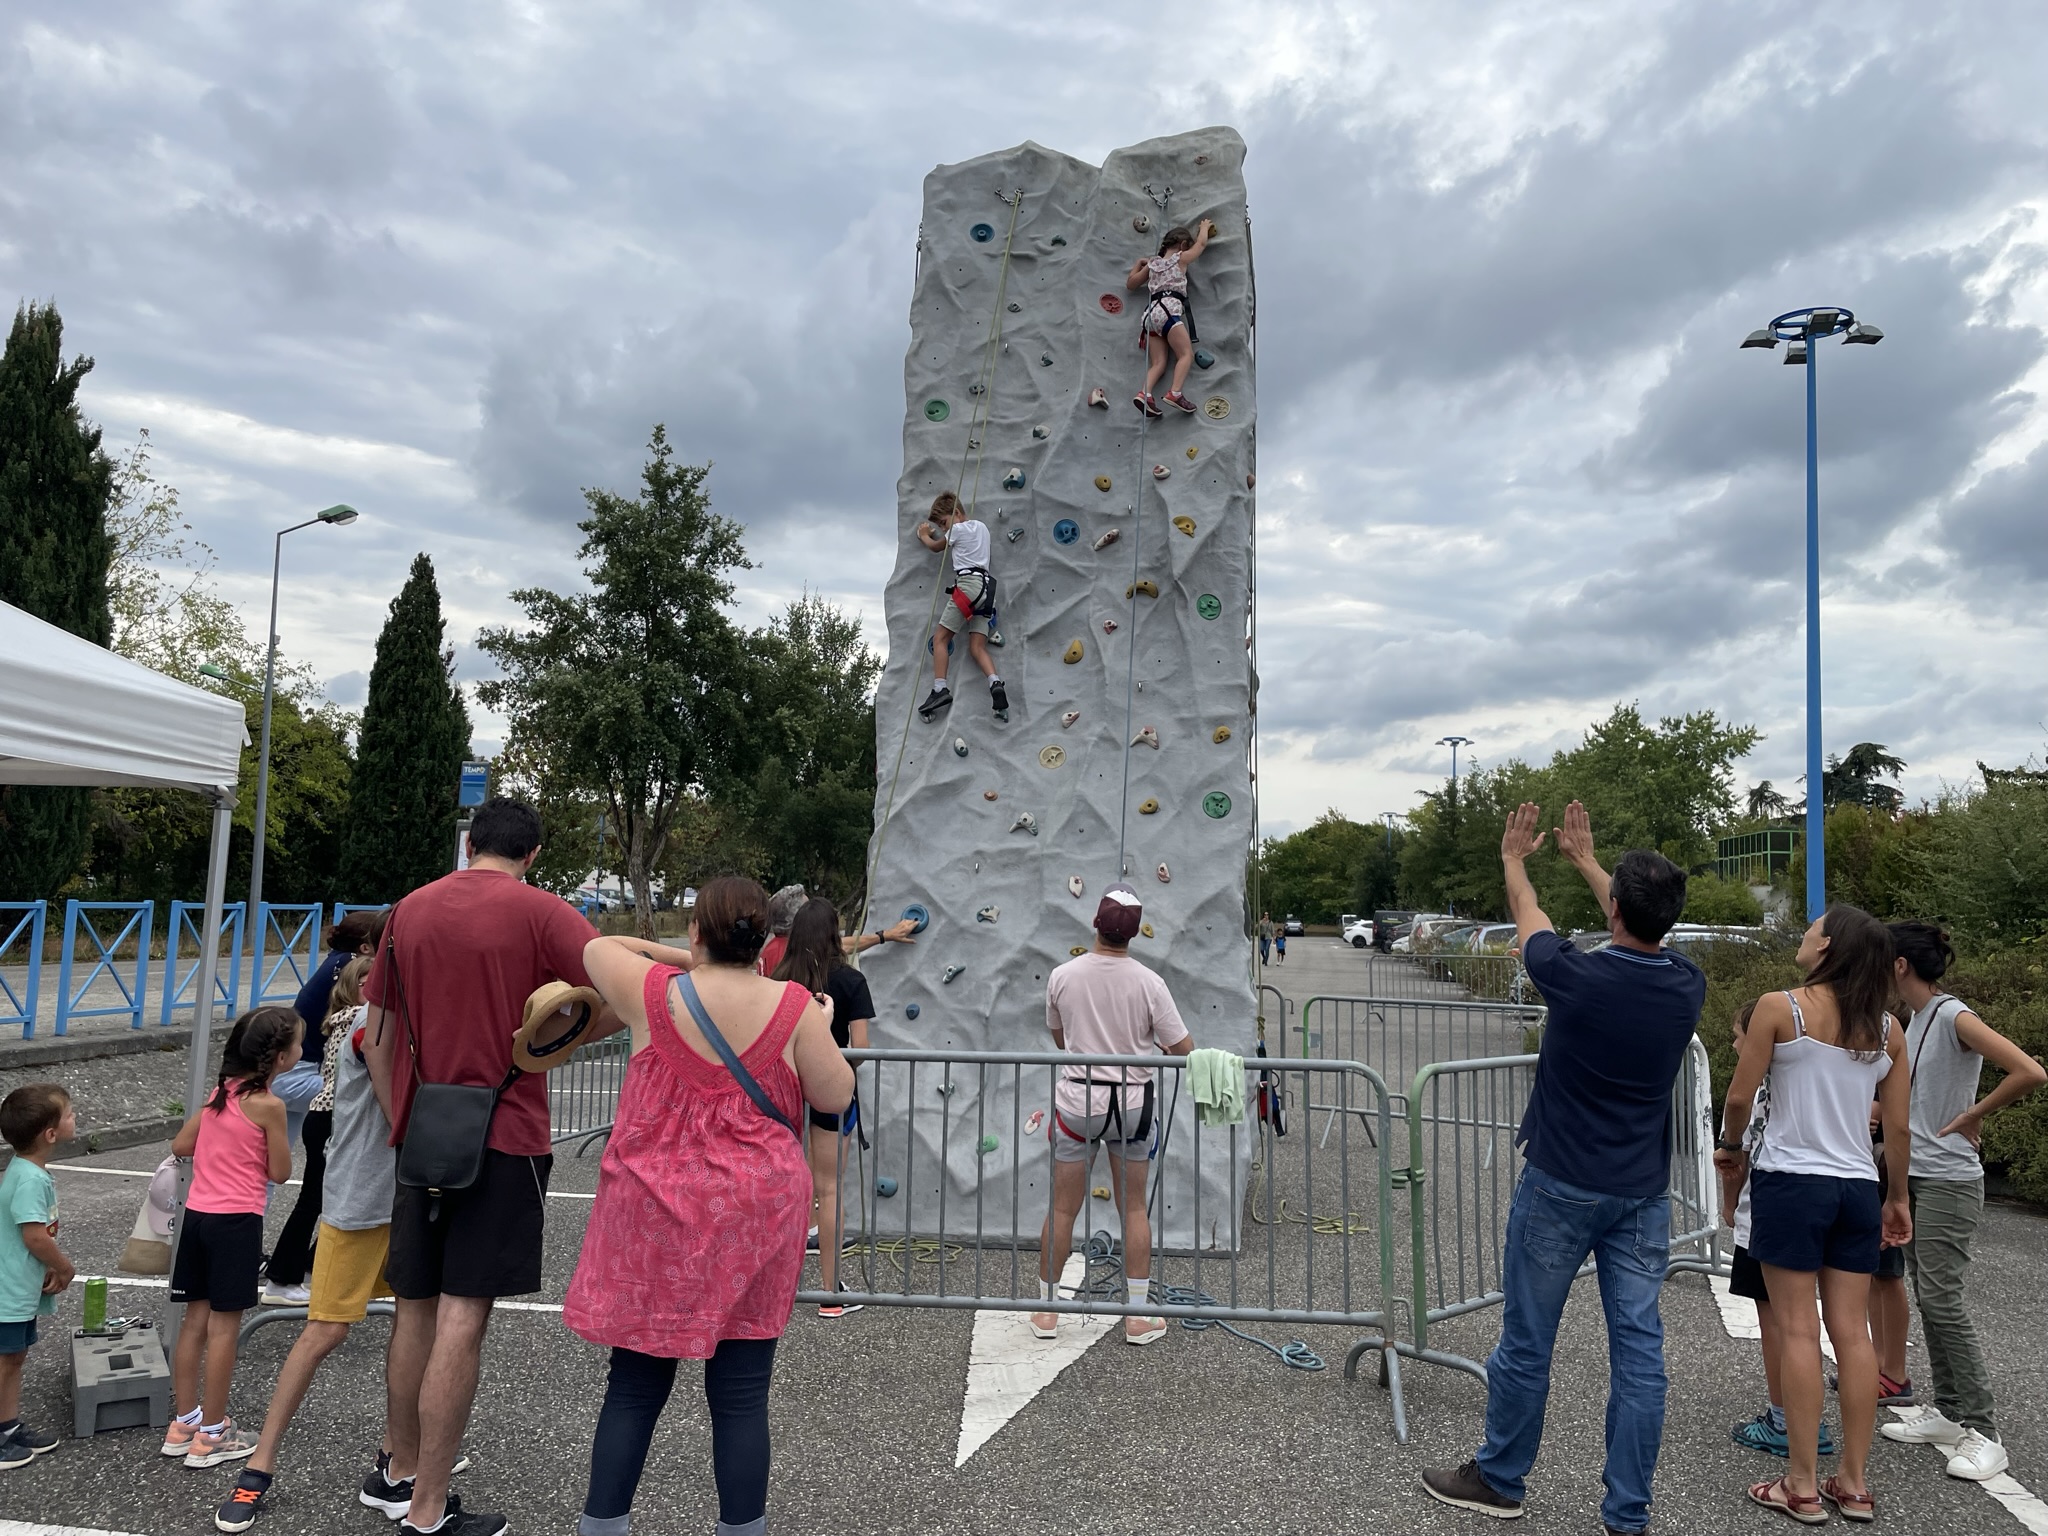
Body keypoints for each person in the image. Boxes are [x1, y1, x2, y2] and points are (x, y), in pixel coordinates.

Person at [1422, 802, 1702, 1536]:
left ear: (1613, 910)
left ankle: (1502, 1477)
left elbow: (1528, 912)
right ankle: (1627, 1513)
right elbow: (1639, 921)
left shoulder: (1574, 978)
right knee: (1640, 1353)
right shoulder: (1685, 984)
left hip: (1560, 1187)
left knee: (1527, 1339)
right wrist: (1588, 861)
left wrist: (1517, 858)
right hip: (1642, 1196)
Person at [566, 875, 852, 1536]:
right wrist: (819, 1023)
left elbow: (596, 950)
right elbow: (835, 1095)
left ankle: (604, 1525)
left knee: (634, 1389)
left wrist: (680, 956)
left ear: (696, 932)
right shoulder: (792, 1006)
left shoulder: (653, 995)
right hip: (754, 1216)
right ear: (764, 940)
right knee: (742, 1394)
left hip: (654, 1213)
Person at [362, 797, 602, 1536]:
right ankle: (429, 1511)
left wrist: (406, 1116)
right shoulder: (542, 913)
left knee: (413, 1305)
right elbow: (615, 997)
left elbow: (378, 1035)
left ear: (470, 843)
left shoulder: (408, 910)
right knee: (464, 1314)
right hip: (506, 1135)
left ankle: (398, 1474)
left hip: (424, 1133)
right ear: (533, 854)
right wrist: (555, 1033)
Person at [1717, 906, 1909, 1525]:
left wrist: (1729, 1145)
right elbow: (1898, 1126)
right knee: (1853, 1333)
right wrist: (1896, 1197)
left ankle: (1799, 1484)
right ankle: (1852, 1483)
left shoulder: (1781, 1007)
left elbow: (1741, 1096)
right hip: (1857, 1187)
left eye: (1811, 930)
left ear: (1828, 947)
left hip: (1792, 1183)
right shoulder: (1888, 1030)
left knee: (1798, 1329)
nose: (1803, 936)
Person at [214, 958, 402, 1530]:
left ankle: (399, 1462)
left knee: (416, 1326)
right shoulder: (371, 1024)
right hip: (364, 1199)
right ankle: (259, 1466)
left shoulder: (390, 1017)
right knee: (326, 1329)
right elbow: (399, 1114)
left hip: (406, 1197)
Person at [1881, 920, 2046, 1481]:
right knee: (1928, 1293)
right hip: (1919, 1176)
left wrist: (1975, 1114)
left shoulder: (1952, 1015)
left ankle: (1986, 1430)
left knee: (1944, 1298)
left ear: (1900, 964)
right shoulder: (1914, 1020)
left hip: (1950, 1180)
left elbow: (2030, 1071)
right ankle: (1949, 1414)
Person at [1030, 885, 1193, 1348]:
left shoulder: (1063, 975)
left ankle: (1046, 1312)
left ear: (1096, 925)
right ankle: (1137, 1318)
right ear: (1135, 933)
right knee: (1134, 1207)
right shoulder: (1149, 982)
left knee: (1063, 1207)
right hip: (1133, 1103)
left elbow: (1061, 1041)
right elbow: (1183, 1047)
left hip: (1078, 1103)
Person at [163, 1007, 301, 1470]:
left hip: (199, 1217)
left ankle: (184, 1423)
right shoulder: (269, 1106)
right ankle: (214, 1433)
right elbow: (280, 1173)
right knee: (225, 1328)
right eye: (297, 1045)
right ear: (280, 1058)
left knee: (194, 1324)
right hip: (237, 1222)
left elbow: (181, 1145)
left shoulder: (221, 1093)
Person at [1721, 1003, 1840, 1461]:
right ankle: (1814, 1426)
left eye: (1739, 1036)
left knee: (1780, 1327)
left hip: (1767, 1214)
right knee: (1823, 1326)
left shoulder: (1756, 1093)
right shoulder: (1807, 1083)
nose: (1735, 1045)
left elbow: (1739, 1160)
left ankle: (1784, 1420)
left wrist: (1730, 1206)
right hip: (1832, 1197)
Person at [264, 909, 388, 1306]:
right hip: (331, 1110)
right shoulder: (356, 1016)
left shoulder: (342, 1012)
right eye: (370, 983)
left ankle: (303, 1266)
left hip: (325, 1110)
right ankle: (285, 1276)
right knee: (320, 1196)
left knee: (328, 1194)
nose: (377, 987)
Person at [771, 897, 873, 1316]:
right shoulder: (850, 980)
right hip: (831, 1096)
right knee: (829, 1190)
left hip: (783, 1095)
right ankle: (831, 1293)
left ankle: (773, 1289)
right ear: (835, 933)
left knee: (782, 1188)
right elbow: (863, 1049)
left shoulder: (779, 978)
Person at [0, 1084, 75, 1470]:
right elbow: (33, 1235)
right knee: (7, 1358)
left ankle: (8, 1426)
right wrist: (63, 1266)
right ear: (50, 1134)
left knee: (14, 1357)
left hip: (17, 1284)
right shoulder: (32, 1179)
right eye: (69, 1114)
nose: (74, 1118)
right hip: (8, 1288)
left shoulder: (27, 1170)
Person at [914, 492, 1006, 721]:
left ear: (956, 513)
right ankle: (995, 683)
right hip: (988, 590)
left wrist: (925, 535)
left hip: (968, 586)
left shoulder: (956, 530)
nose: (944, 529)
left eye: (944, 523)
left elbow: (937, 547)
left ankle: (939, 689)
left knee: (941, 639)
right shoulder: (983, 528)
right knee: (977, 647)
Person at [1125, 218, 1215, 417]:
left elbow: (1131, 284)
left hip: (1150, 315)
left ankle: (1144, 394)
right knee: (1185, 355)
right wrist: (1204, 228)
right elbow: (1201, 244)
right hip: (1169, 311)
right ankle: (1175, 393)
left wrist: (1139, 265)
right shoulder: (1181, 259)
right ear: (1183, 245)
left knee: (1158, 363)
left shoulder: (1153, 264)